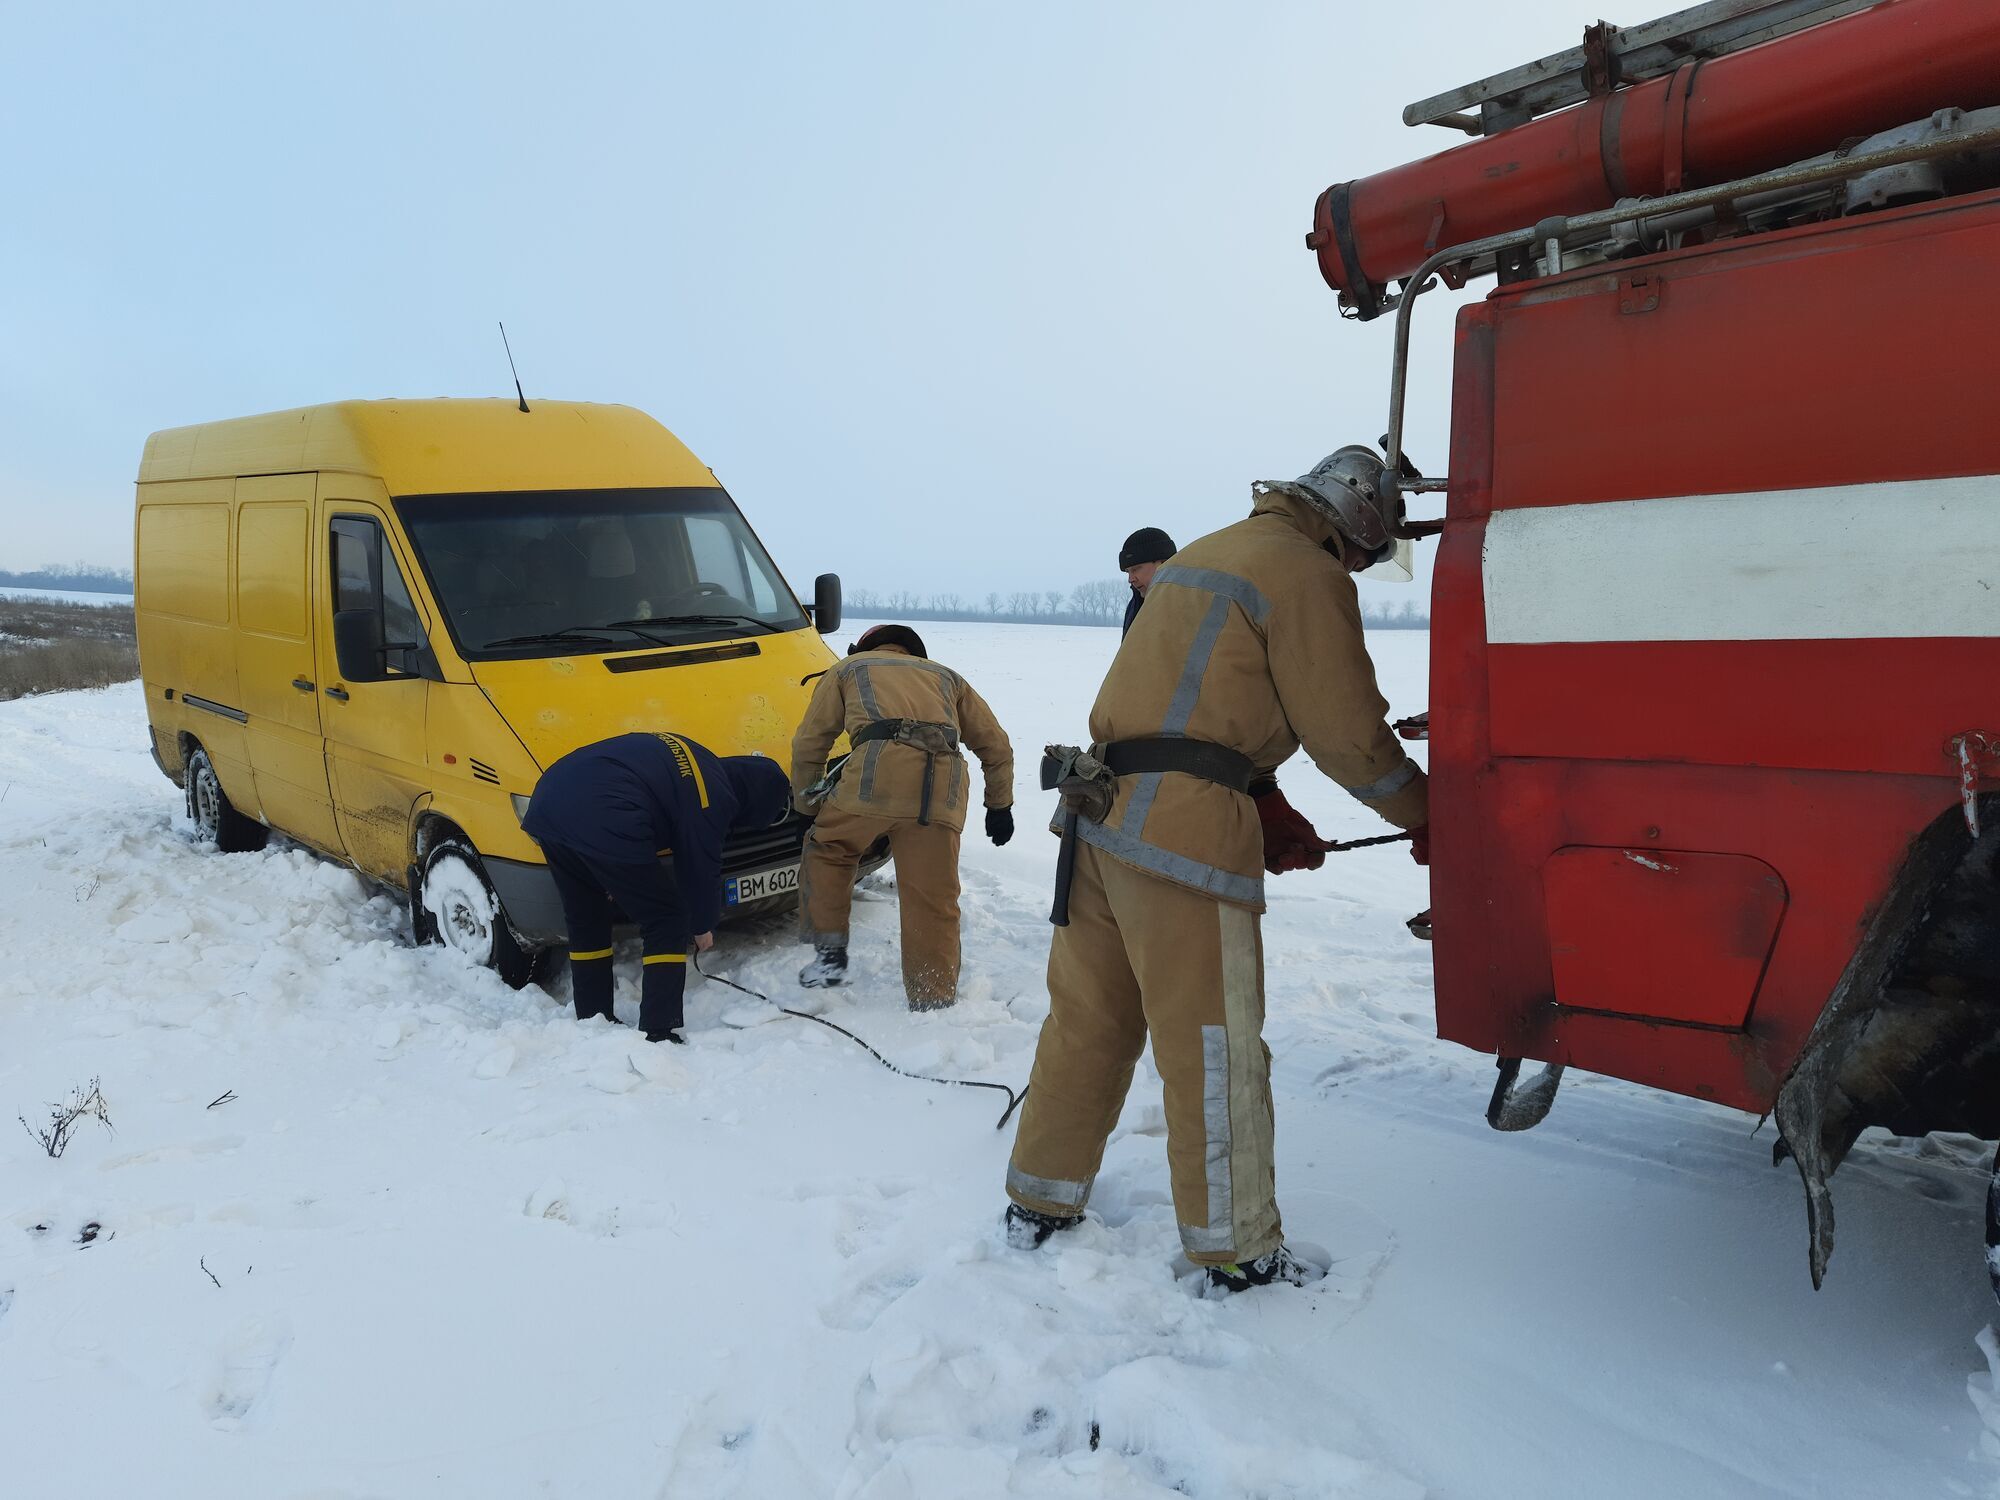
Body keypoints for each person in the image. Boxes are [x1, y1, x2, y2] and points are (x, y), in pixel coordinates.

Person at [1004, 448, 1430, 1294]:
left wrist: (1263, 795)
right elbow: (1349, 735)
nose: (1361, 565)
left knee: (1089, 1022)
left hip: (1102, 813)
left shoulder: (1206, 549)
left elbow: (1191, 698)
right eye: (1370, 551)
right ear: (1359, 524)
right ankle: (1234, 1247)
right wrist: (1429, 815)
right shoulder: (1306, 571)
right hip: (1183, 836)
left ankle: (1038, 1203)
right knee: (1215, 1046)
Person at [791, 623, 1015, 1010]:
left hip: (873, 782)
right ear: (915, 653)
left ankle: (829, 957)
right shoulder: (948, 677)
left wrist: (805, 805)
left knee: (830, 851)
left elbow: (811, 741)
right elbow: (997, 746)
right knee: (933, 897)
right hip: (941, 791)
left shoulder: (849, 668)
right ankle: (933, 997)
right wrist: (1000, 806)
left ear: (866, 646)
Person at [521, 732, 792, 1043]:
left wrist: (612, 872)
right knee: (667, 918)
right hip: (602, 814)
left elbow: (643, 794)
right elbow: (700, 867)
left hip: (549, 802)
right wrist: (702, 924)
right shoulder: (712, 795)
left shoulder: (699, 759)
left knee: (587, 914)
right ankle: (659, 1029)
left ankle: (593, 1017)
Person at [1118, 527, 1177, 635]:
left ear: (1163, 563)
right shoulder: (1134, 605)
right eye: (1128, 572)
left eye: (1136, 569)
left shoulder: (1189, 603)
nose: (1130, 579)